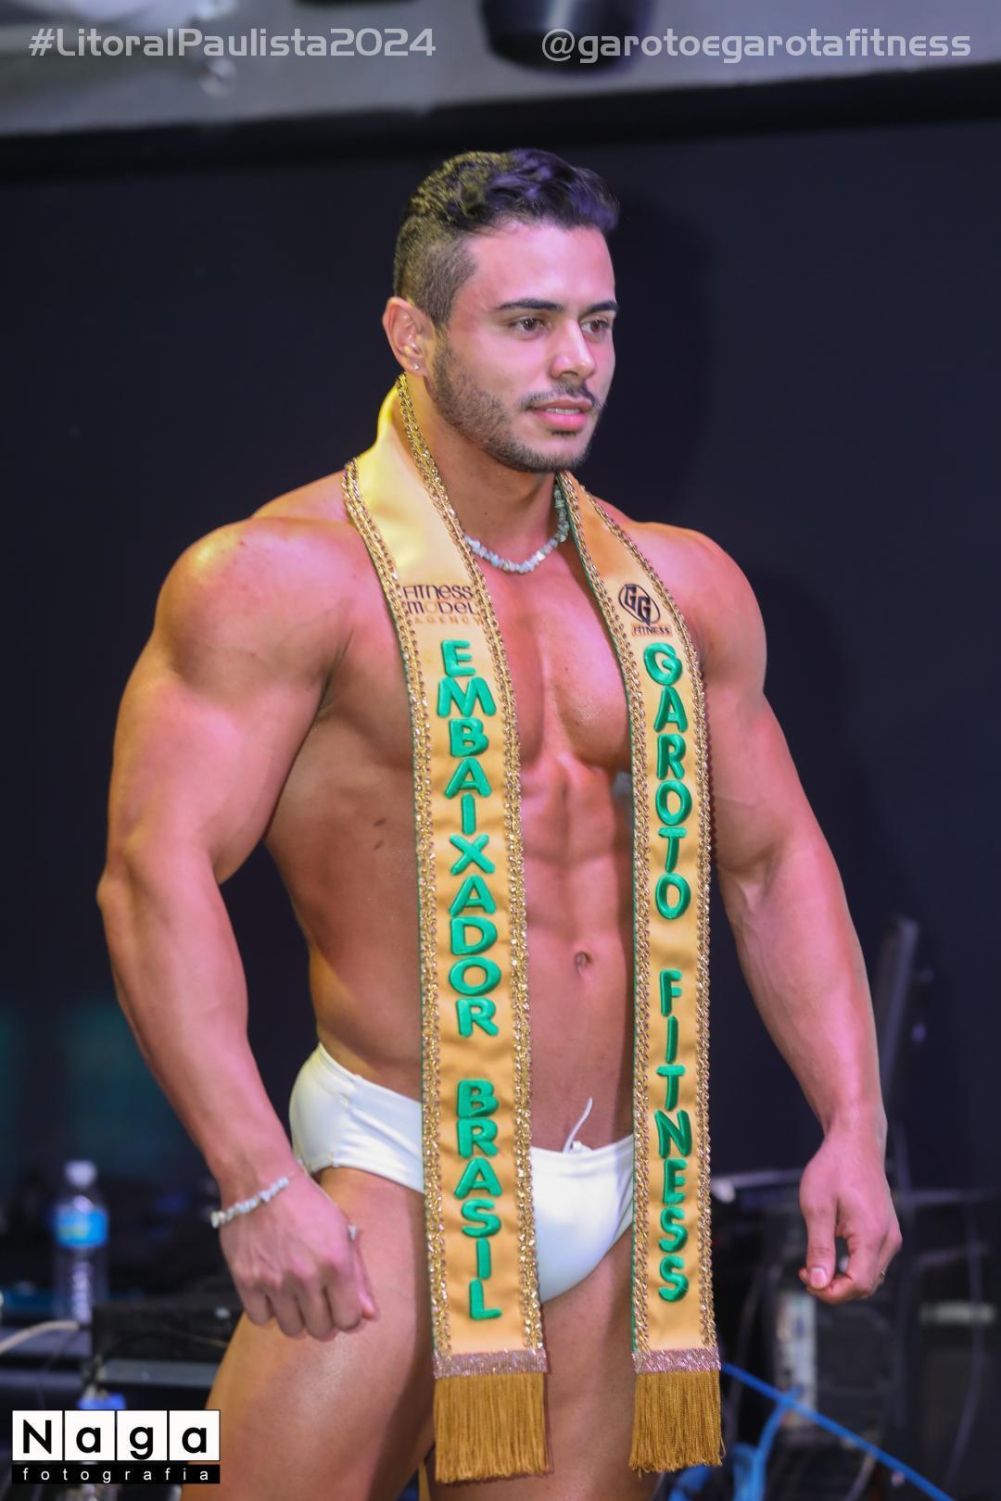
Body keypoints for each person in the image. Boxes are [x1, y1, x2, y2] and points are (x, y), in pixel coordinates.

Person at [97, 149, 901, 1501]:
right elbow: (151, 875)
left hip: (627, 1185)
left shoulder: (680, 587)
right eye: (526, 323)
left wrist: (853, 1124)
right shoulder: (280, 578)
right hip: (397, 1165)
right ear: (412, 335)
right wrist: (252, 1177)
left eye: (596, 322)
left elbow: (770, 862)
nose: (575, 361)